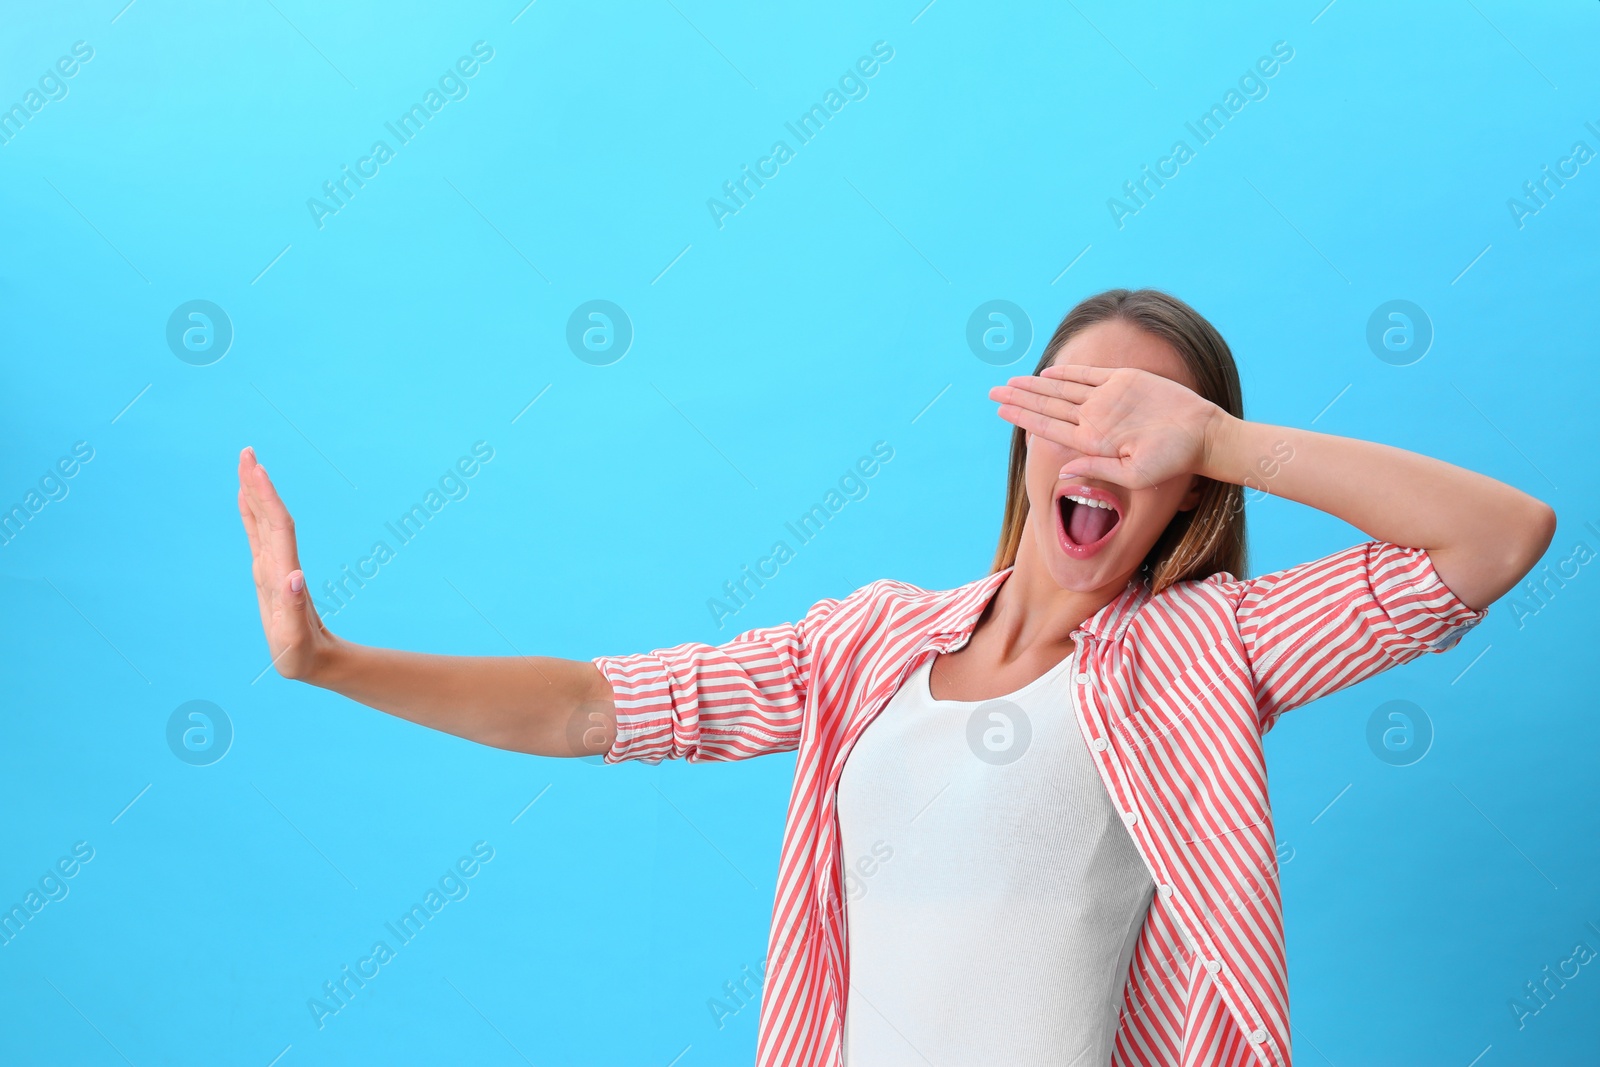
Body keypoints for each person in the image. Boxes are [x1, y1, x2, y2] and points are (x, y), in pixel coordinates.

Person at [237, 288, 1555, 1067]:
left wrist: (1224, 439)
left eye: (1142, 428)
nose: (1106, 443)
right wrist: (328, 660)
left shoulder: (1207, 650)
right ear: (1027, 430)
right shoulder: (866, 644)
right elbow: (594, 705)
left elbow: (1496, 539)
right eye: (1079, 406)